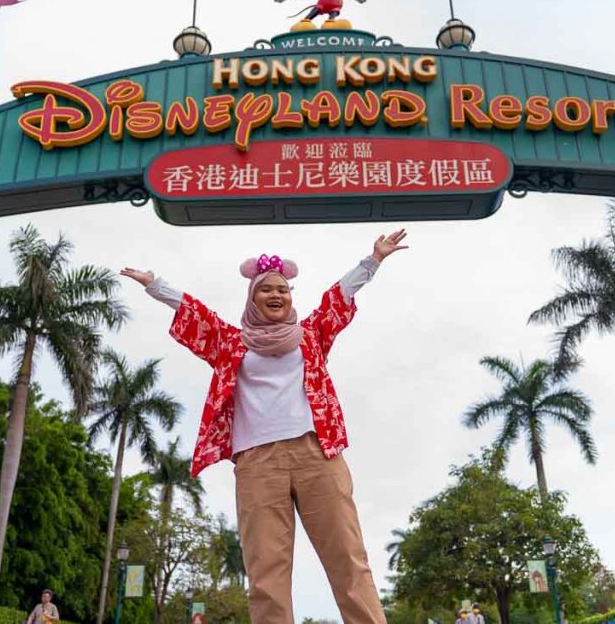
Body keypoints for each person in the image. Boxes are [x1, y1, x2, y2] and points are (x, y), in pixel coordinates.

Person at [120, 229, 409, 624]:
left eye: (283, 289)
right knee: (266, 573)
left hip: (317, 456)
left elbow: (338, 298)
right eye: (266, 290)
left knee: (348, 560)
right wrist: (156, 285)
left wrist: (372, 260)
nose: (276, 295)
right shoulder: (231, 343)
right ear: (251, 297)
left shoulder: (310, 336)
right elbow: (195, 314)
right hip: (257, 463)